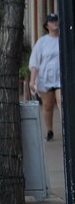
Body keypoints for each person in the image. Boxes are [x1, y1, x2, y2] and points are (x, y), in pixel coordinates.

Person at [29, 13, 61, 141]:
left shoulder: (63, 39)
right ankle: (49, 130)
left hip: (60, 78)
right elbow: (35, 63)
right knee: (48, 106)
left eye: (56, 21)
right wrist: (32, 80)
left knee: (61, 101)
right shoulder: (42, 42)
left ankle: (66, 129)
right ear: (47, 25)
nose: (54, 23)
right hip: (45, 78)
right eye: (52, 21)